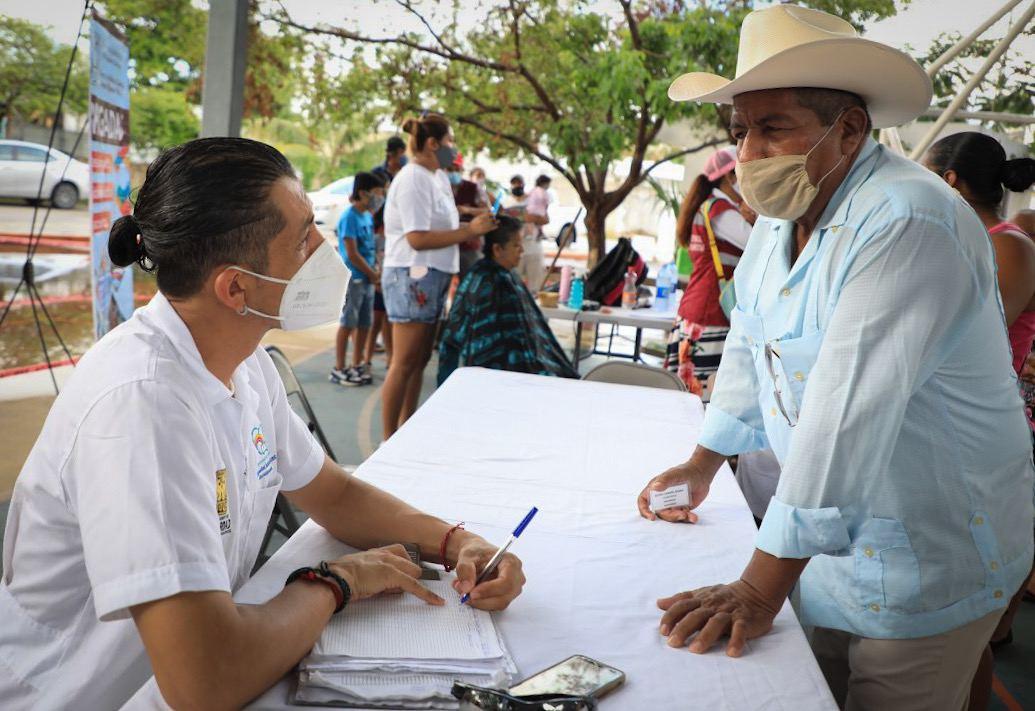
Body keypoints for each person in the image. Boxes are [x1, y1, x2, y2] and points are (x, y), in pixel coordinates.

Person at [0, 137, 525, 710]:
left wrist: (456, 541)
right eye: (303, 238)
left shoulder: (242, 361)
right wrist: (337, 582)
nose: (324, 247)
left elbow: (333, 491)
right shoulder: (142, 406)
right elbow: (206, 680)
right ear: (235, 287)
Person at [637, 6, 1033, 711]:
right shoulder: (786, 215)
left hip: (930, 542)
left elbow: (845, 410)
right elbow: (752, 345)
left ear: (848, 127)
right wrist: (704, 460)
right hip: (830, 543)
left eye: (772, 127)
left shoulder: (905, 217)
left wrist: (758, 587)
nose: (749, 153)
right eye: (740, 131)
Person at [923, 132, 1035, 710]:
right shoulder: (966, 239)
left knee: (970, 594)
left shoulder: (1007, 244)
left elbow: (979, 336)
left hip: (990, 425)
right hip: (957, 425)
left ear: (949, 183)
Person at [381, 113, 496, 439]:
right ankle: (388, 439)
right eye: (449, 142)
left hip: (432, 275)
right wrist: (468, 231)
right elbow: (417, 237)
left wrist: (474, 227)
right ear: (432, 143)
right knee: (403, 362)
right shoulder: (414, 177)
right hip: (412, 274)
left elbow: (443, 229)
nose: (453, 148)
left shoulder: (438, 176)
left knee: (417, 361)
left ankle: (405, 431)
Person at [438, 215, 578, 384]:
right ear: (497, 249)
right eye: (516, 245)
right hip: (497, 377)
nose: (522, 251)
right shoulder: (488, 283)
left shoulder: (505, 276)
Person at [665, 146, 755, 396]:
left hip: (696, 312)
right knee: (704, 398)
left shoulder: (707, 206)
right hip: (710, 315)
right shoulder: (720, 211)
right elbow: (757, 245)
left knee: (687, 395)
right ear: (729, 176)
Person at [331, 171, 385, 387]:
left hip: (368, 278)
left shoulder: (367, 216)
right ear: (362, 193)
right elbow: (352, 253)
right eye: (378, 193)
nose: (380, 198)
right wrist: (372, 274)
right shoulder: (349, 216)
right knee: (348, 323)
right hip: (354, 279)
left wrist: (375, 270)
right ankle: (339, 367)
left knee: (364, 323)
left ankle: (356, 364)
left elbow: (370, 248)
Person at [447, 155, 488, 279]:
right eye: (450, 169)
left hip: (469, 246)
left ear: (461, 170)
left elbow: (487, 211)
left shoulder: (474, 189)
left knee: (471, 281)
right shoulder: (439, 187)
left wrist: (468, 210)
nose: (453, 172)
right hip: (445, 244)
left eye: (456, 169)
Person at [521, 174, 553, 291]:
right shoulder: (537, 194)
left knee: (535, 283)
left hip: (534, 246)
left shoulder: (532, 194)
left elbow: (545, 219)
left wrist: (533, 218)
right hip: (522, 247)